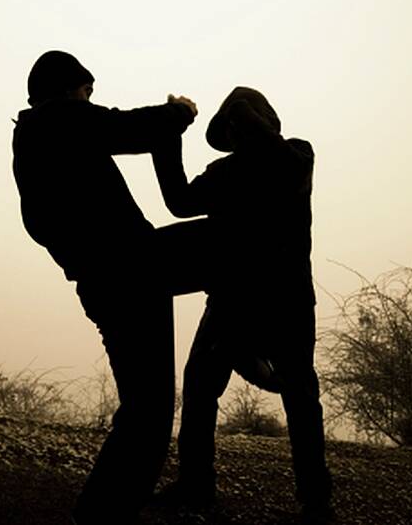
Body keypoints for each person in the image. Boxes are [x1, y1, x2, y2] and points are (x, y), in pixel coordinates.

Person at [11, 50, 197, 524]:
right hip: (130, 271)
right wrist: (180, 112)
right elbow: (128, 128)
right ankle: (100, 514)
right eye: (87, 92)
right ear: (68, 89)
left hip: (113, 277)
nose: (91, 100)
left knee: (146, 408)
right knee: (149, 412)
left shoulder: (36, 142)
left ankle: (102, 512)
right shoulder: (56, 124)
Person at [151, 86, 334, 521]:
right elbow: (178, 203)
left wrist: (238, 114)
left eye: (239, 123)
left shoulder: (296, 157)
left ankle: (315, 498)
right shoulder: (230, 172)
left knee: (299, 395)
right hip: (234, 302)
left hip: (281, 301)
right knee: (200, 387)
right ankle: (196, 485)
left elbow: (274, 159)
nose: (235, 132)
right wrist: (166, 136)